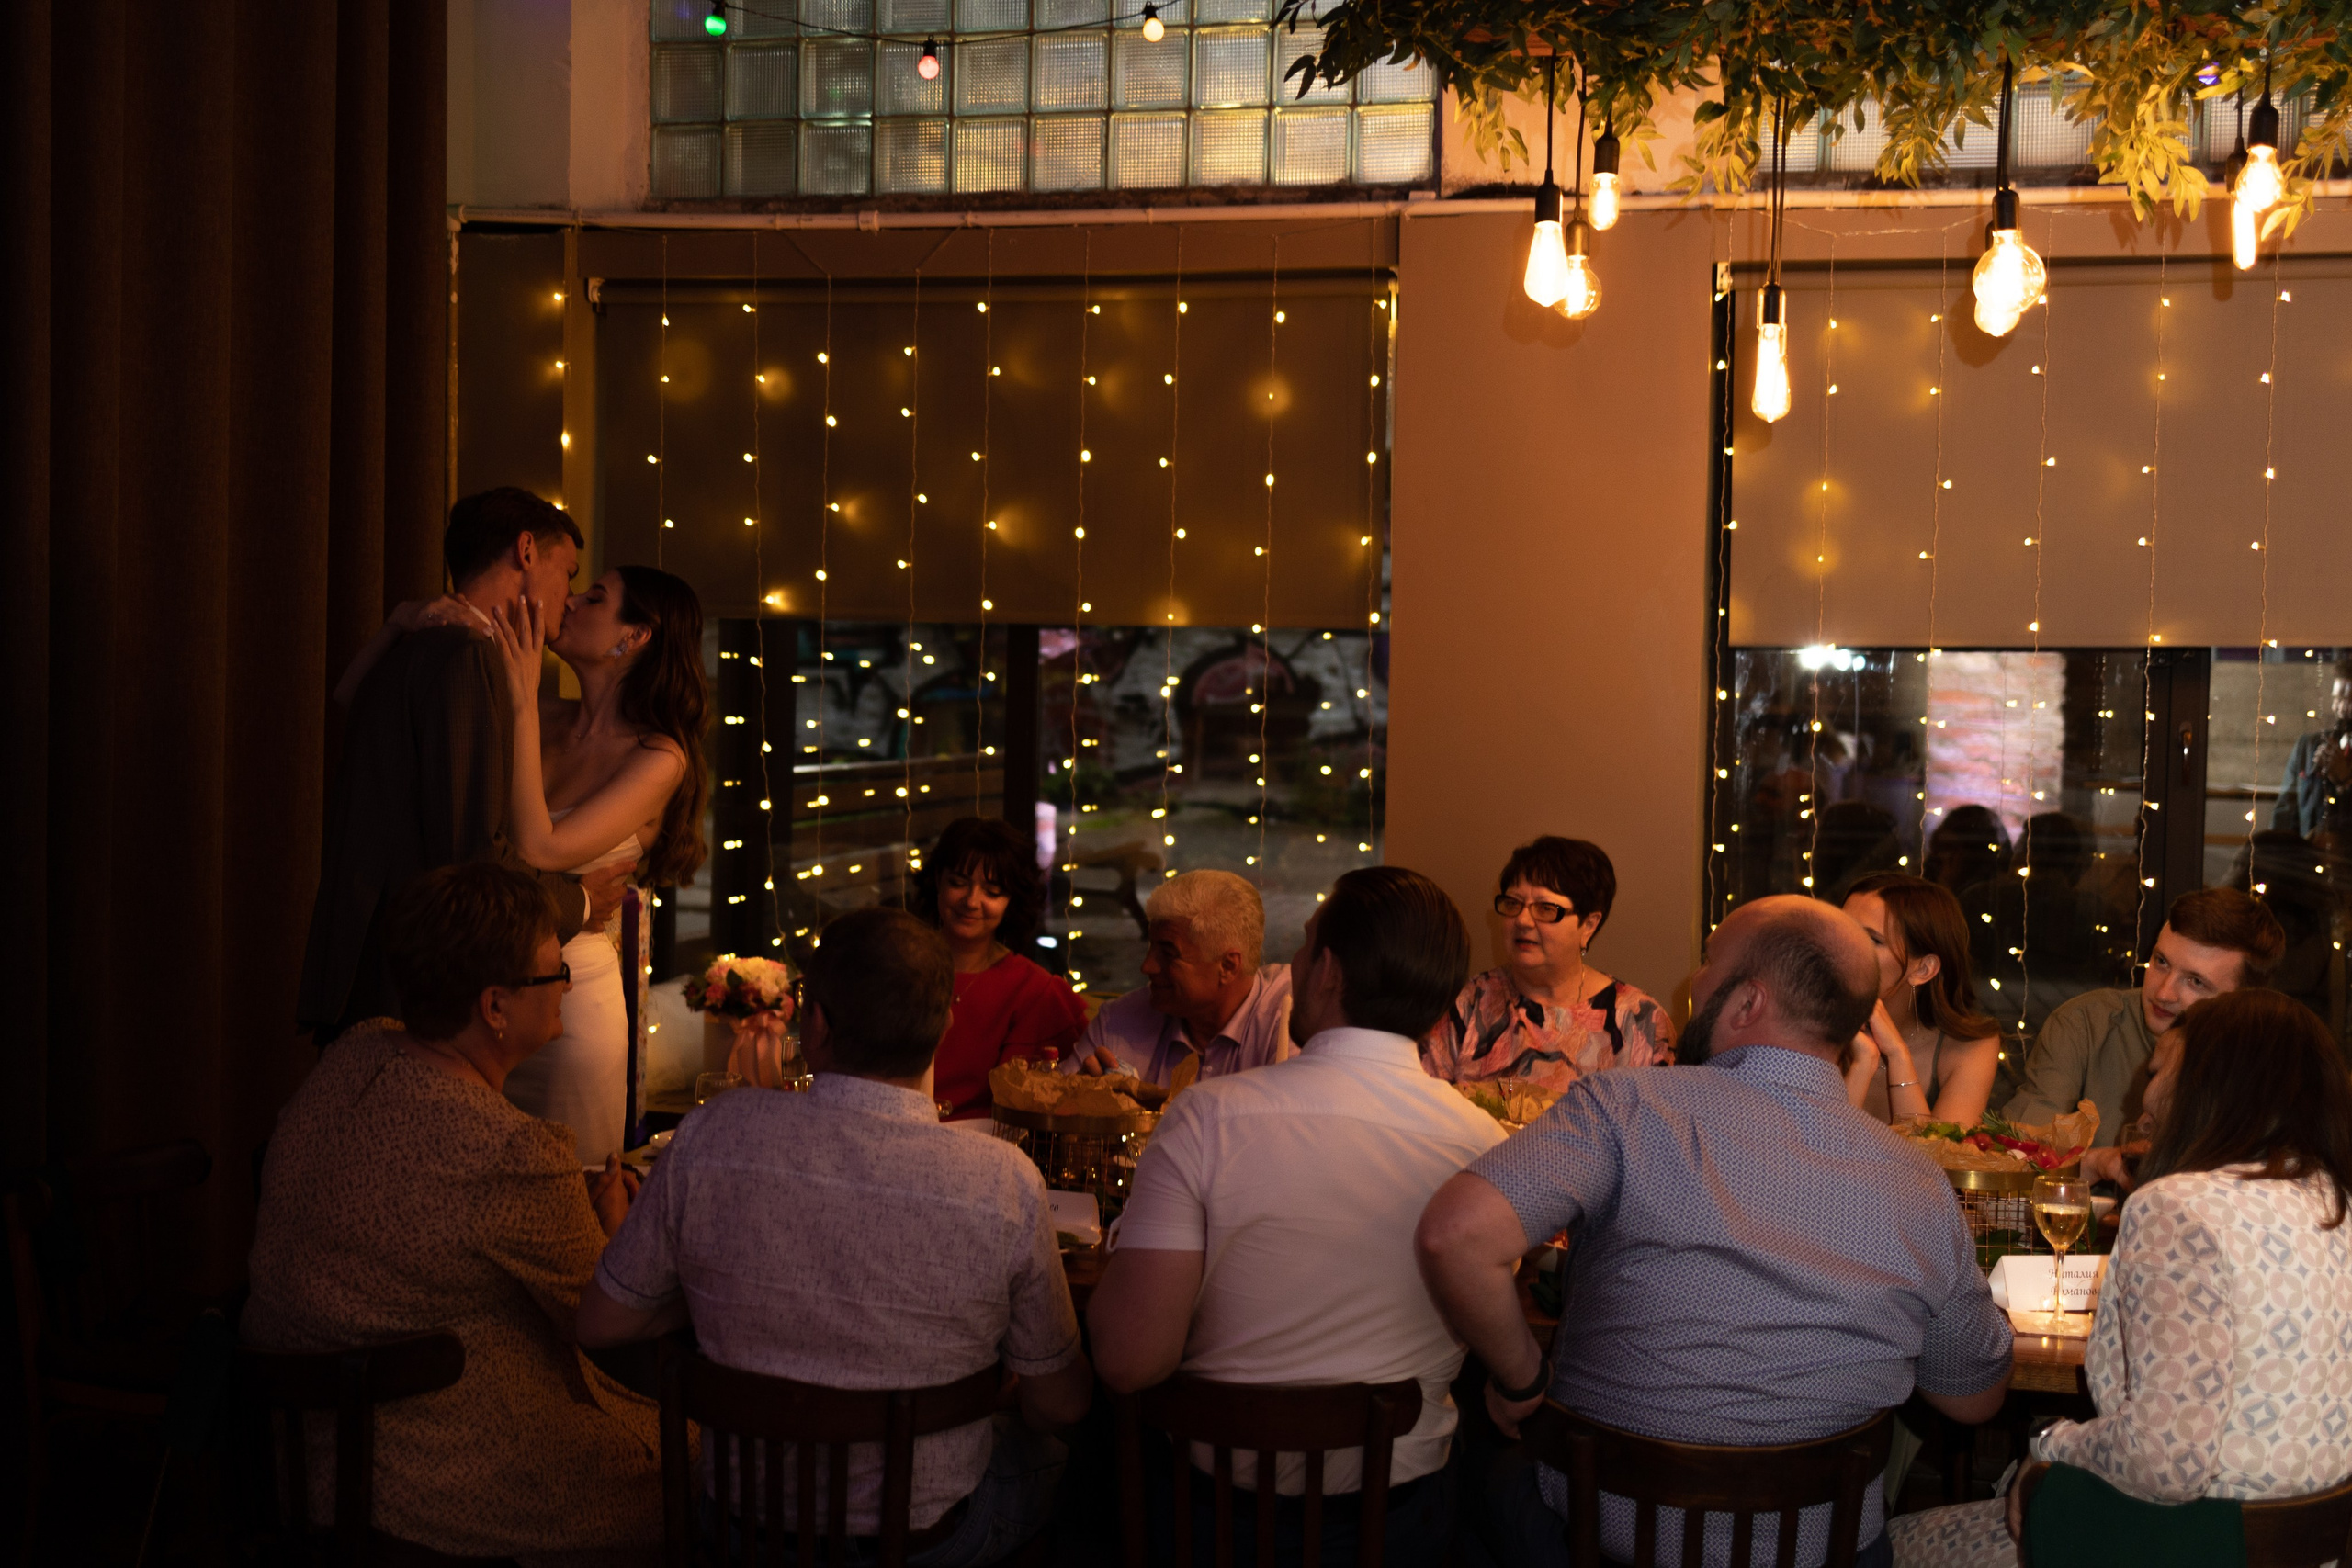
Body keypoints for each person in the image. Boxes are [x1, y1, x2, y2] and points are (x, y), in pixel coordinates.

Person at [1416, 896, 2012, 1568]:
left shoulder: (1624, 1107)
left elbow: (1456, 1234)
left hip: (1600, 1545)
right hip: (1823, 1554)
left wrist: (1524, 1381)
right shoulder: (1919, 1182)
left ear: (1747, 1002)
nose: (1694, 983)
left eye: (1708, 964)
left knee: (1472, 1476)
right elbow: (1973, 1400)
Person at [580, 908, 1091, 1565]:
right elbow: (1062, 1403)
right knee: (1063, 1458)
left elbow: (601, 1323)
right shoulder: (1005, 1180)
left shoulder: (713, 1134)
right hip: (926, 1543)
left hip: (743, 1529)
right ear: (944, 1025)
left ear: (815, 1024)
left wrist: (718, 1294)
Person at [1089, 866, 1505, 1567]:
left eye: (1306, 946)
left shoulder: (1205, 1118)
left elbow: (1129, 1360)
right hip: (1396, 1525)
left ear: (1330, 971)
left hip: (1213, 1520)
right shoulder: (1486, 1148)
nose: (1293, 966)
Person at [246, 863, 662, 1562]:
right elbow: (601, 1321)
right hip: (430, 1481)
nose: (567, 984)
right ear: (495, 1007)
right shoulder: (511, 1150)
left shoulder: (356, 1050)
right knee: (713, 1466)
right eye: (554, 970)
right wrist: (620, 1234)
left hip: (296, 1454)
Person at [1889, 988, 2352, 1567]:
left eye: (2157, 1072)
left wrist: (2049, 1443)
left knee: (1896, 1544)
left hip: (2179, 1546)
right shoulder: (2333, 1203)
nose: (2144, 1094)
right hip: (2301, 1552)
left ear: (2207, 1084)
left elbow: (2166, 1459)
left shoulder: (2177, 1208)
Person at [298, 489, 635, 1045]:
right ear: (526, 550)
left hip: (368, 964)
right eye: (568, 573)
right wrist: (576, 900)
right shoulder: (466, 656)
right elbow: (472, 854)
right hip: (406, 982)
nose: (569, 596)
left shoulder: (417, 644)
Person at [484, 564, 709, 1163]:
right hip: (484, 996)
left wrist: (522, 704)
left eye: (595, 597)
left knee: (570, 1188)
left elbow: (538, 849)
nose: (571, 601)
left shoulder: (658, 756)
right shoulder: (542, 711)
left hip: (572, 1004)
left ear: (634, 636)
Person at [2004, 887, 2283, 1146]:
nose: (2163, 993)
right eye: (2161, 962)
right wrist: (2095, 1163)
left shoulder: (2270, 1063)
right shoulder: (2085, 1024)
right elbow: (2018, 1146)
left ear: (2242, 999)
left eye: (2195, 982)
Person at [1419, 836, 1674, 1091]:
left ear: (1588, 925)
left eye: (1545, 909)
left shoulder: (1640, 1021)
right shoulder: (1465, 1005)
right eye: (1513, 904)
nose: (1523, 921)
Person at [911, 817, 1088, 1121]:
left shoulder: (1035, 991)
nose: (971, 901)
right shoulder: (899, 968)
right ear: (938, 880)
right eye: (958, 883)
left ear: (1012, 900)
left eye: (992, 891)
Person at [1066, 870, 1292, 1088]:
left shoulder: (1291, 1021)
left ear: (1227, 966)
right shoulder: (1118, 1022)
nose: (1147, 966)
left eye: (1168, 953)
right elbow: (1055, 1101)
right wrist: (1079, 1099)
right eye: (1151, 948)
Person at [1840, 874, 2002, 1125]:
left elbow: (1937, 1153)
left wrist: (1897, 1056)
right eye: (1841, 930)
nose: (1842, 948)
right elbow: (1809, 1146)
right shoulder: (1804, 1023)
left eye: (1872, 939)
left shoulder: (1970, 1046)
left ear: (1923, 969)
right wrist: (1863, 1064)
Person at [2271, 654, 2352, 840]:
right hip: (2307, 856)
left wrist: (2346, 782)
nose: (2342, 708)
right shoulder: (2307, 747)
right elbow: (2284, 814)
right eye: (2338, 698)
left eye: (2351, 700)